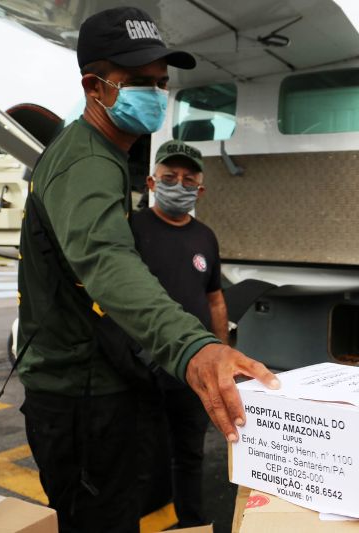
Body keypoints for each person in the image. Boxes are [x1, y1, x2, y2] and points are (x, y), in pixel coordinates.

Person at [16, 7, 277, 532]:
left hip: (102, 383)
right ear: (95, 87)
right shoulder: (88, 161)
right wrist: (194, 347)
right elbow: (106, 261)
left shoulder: (105, 155)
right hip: (81, 396)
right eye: (138, 81)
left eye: (161, 83)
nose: (156, 94)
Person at [131, 140, 225, 527]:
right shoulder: (131, 228)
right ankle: (139, 519)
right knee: (140, 451)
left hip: (193, 368)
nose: (179, 185)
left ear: (200, 191)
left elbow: (215, 300)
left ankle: (192, 523)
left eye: (189, 180)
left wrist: (221, 353)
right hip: (140, 366)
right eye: (170, 177)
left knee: (189, 451)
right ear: (152, 182)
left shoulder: (205, 237)